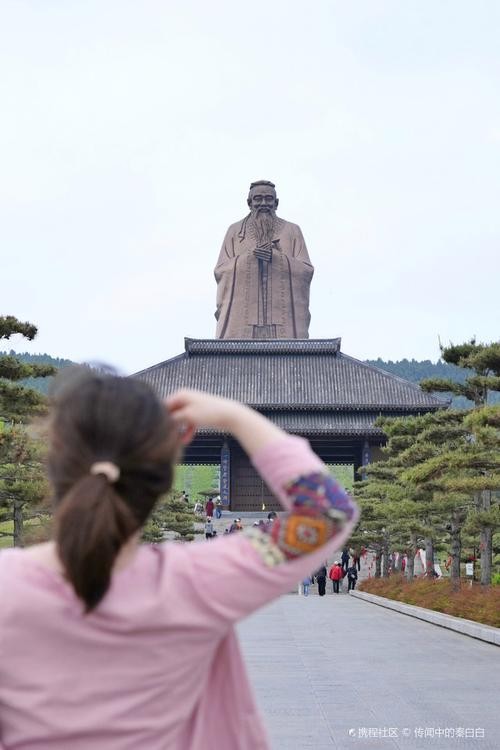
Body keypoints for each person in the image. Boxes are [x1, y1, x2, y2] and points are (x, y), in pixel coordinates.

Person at [0, 368, 358, 749]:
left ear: (53, 467)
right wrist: (235, 416)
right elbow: (327, 512)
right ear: (163, 478)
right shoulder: (195, 581)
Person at [214, 180, 314, 339]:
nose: (263, 203)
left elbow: (306, 271)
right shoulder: (235, 232)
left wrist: (277, 258)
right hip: (244, 319)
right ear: (249, 202)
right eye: (258, 199)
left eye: (268, 199)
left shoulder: (292, 231)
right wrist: (249, 257)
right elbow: (220, 271)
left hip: (283, 321)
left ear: (276, 203)